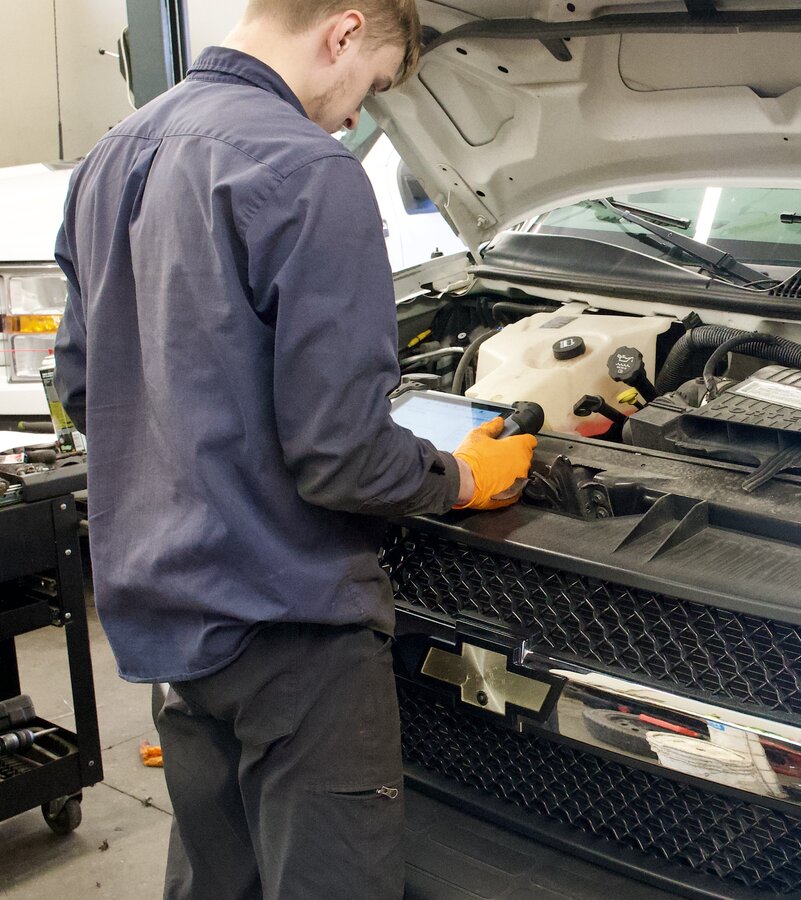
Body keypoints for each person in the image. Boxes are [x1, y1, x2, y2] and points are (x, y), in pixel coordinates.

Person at [52, 2, 536, 897]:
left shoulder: (111, 155)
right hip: (292, 626)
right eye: (375, 87)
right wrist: (465, 474)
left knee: (216, 877)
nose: (358, 116)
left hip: (169, 615)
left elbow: (87, 390)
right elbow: (342, 455)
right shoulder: (310, 169)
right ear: (343, 32)